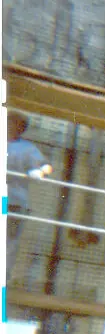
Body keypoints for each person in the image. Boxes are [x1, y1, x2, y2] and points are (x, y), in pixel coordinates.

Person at [7, 112, 53, 286]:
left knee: (9, 242)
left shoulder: (27, 148)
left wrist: (41, 171)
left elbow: (44, 166)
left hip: (14, 202)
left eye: (15, 124)